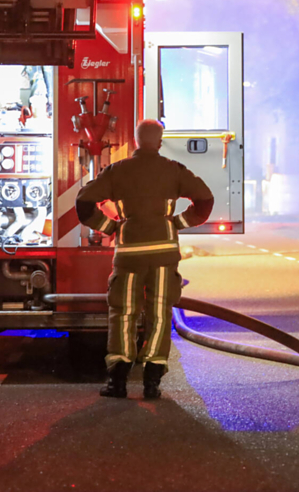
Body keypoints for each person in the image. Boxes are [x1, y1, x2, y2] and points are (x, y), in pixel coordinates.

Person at [76, 119, 214, 400]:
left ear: (136, 141)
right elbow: (205, 199)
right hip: (164, 256)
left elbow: (84, 203)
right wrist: (177, 223)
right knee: (159, 314)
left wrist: (111, 227)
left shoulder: (118, 171)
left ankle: (118, 382)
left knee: (123, 313)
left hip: (129, 256)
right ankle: (152, 382)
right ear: (160, 142)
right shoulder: (173, 170)